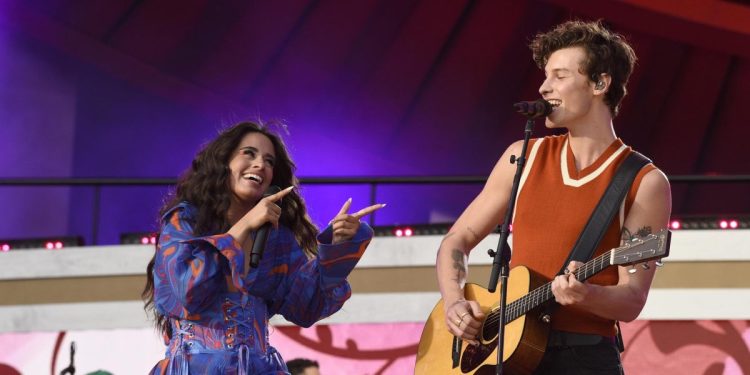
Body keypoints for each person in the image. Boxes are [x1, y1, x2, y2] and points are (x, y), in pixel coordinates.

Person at [435, 20, 672, 374]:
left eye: (559, 76)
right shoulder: (522, 156)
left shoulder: (645, 181)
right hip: (506, 353)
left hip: (584, 358)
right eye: (545, 76)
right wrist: (454, 302)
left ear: (600, 83)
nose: (544, 88)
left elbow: (631, 301)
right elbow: (458, 239)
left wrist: (587, 295)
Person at [142, 121, 384, 374]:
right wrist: (244, 227)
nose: (260, 164)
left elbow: (306, 307)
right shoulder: (185, 221)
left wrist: (337, 249)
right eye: (249, 153)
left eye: (269, 161)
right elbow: (182, 291)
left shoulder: (275, 239)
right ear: (223, 161)